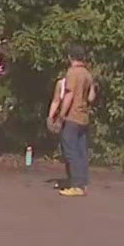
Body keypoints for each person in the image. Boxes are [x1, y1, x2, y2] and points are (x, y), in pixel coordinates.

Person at [48, 46, 96, 196]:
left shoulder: (72, 73)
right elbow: (91, 98)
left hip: (72, 117)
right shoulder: (87, 74)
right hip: (84, 117)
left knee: (70, 151)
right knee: (81, 152)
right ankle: (83, 183)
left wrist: (61, 115)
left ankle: (76, 185)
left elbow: (68, 95)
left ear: (70, 57)